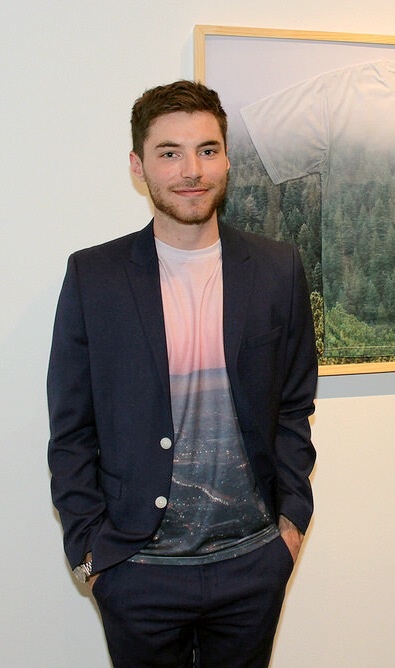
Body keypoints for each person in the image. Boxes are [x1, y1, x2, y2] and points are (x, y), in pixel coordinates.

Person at [47, 80, 318, 667]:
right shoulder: (94, 277)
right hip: (137, 573)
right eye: (169, 152)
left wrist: (291, 526)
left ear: (226, 157)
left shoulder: (276, 269)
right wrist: (91, 558)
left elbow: (295, 407)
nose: (191, 170)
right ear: (138, 166)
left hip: (252, 566)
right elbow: (71, 430)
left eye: (207, 150)